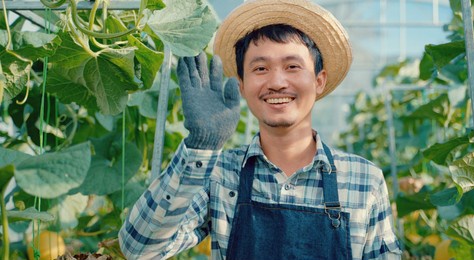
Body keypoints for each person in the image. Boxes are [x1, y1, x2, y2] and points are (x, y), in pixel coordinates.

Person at [118, 0, 402, 259]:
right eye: (260, 69)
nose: (277, 82)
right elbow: (139, 249)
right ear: (241, 85)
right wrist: (201, 146)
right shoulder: (219, 174)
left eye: (292, 66)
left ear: (319, 80)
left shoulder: (365, 180)